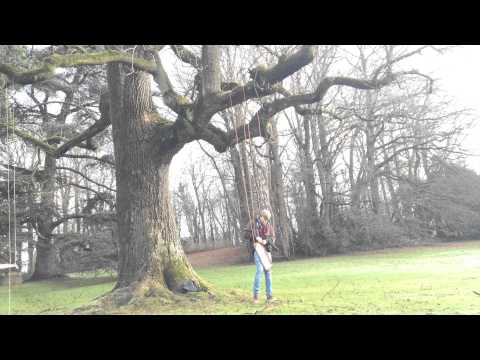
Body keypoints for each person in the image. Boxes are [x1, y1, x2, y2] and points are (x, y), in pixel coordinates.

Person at [250, 209, 275, 304]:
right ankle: (255, 296)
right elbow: (254, 236)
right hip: (258, 250)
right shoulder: (255, 225)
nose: (262, 219)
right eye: (261, 217)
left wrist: (267, 241)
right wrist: (258, 239)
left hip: (267, 251)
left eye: (264, 218)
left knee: (268, 272)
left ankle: (269, 296)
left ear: (266, 219)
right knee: (259, 270)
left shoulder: (269, 226)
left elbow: (273, 238)